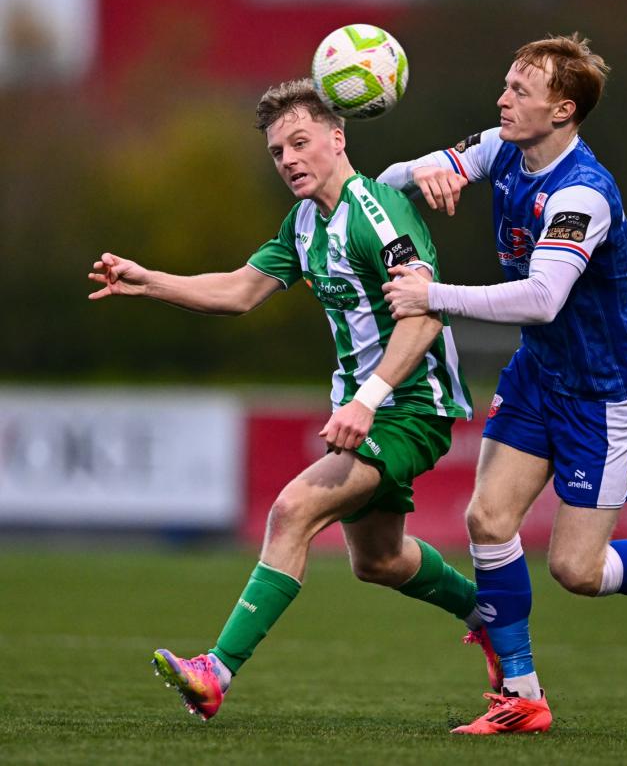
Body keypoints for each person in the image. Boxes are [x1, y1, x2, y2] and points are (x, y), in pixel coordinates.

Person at [87, 79, 500, 721]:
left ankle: (215, 672)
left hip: (413, 404)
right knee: (380, 560)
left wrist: (366, 401)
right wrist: (148, 283)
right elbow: (240, 291)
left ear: (339, 139)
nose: (289, 161)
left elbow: (424, 317)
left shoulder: (378, 212)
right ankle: (490, 614)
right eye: (278, 152)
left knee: (291, 511)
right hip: (368, 406)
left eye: (301, 143)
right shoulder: (306, 221)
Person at [379, 33, 627, 736]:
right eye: (506, 83)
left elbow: (543, 298)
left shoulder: (582, 194)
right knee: (487, 520)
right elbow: (394, 178)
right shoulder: (505, 147)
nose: (502, 97)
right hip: (540, 373)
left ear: (563, 110)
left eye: (521, 89)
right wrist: (424, 174)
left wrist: (434, 295)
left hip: (603, 391)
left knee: (576, 569)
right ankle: (522, 695)